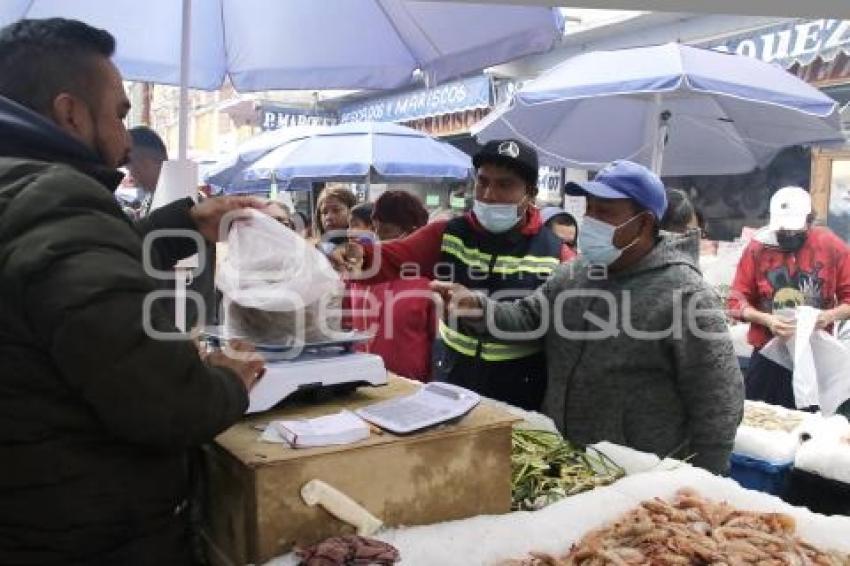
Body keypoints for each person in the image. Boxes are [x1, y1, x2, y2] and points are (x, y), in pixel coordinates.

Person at [0, 18, 267, 563]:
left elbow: (62, 277)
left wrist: (187, 223)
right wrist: (227, 379)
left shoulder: (21, 195)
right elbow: (170, 404)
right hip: (86, 536)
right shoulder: (56, 203)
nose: (126, 139)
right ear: (70, 111)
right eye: (121, 115)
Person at [433, 160, 744, 474]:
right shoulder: (574, 275)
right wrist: (477, 307)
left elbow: (719, 400)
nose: (591, 220)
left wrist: (704, 480)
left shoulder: (687, 296)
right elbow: (529, 317)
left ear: (645, 223)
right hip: (564, 463)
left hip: (639, 477)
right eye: (590, 209)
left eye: (605, 212)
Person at [332, 139, 572, 410]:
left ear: (530, 193)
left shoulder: (555, 253)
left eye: (505, 185)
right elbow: (390, 258)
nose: (489, 194)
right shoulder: (448, 234)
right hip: (453, 379)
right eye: (483, 182)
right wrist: (356, 254)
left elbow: (561, 325)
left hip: (521, 387)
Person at [728, 186, 850, 409]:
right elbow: (736, 302)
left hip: (814, 357)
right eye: (783, 232)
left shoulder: (831, 246)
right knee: (759, 423)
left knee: (809, 429)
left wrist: (827, 316)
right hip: (768, 354)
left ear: (809, 221)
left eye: (795, 231)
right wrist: (768, 320)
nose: (788, 236)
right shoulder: (757, 248)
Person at [347, 191, 435, 382]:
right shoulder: (364, 270)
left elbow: (437, 340)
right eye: (376, 229)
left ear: (414, 232)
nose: (380, 239)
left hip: (412, 383)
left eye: (386, 230)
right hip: (362, 380)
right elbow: (347, 323)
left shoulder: (428, 277)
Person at [126, 125, 168, 218]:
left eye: (131, 168)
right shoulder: (152, 196)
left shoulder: (174, 201)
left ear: (146, 162)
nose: (132, 178)